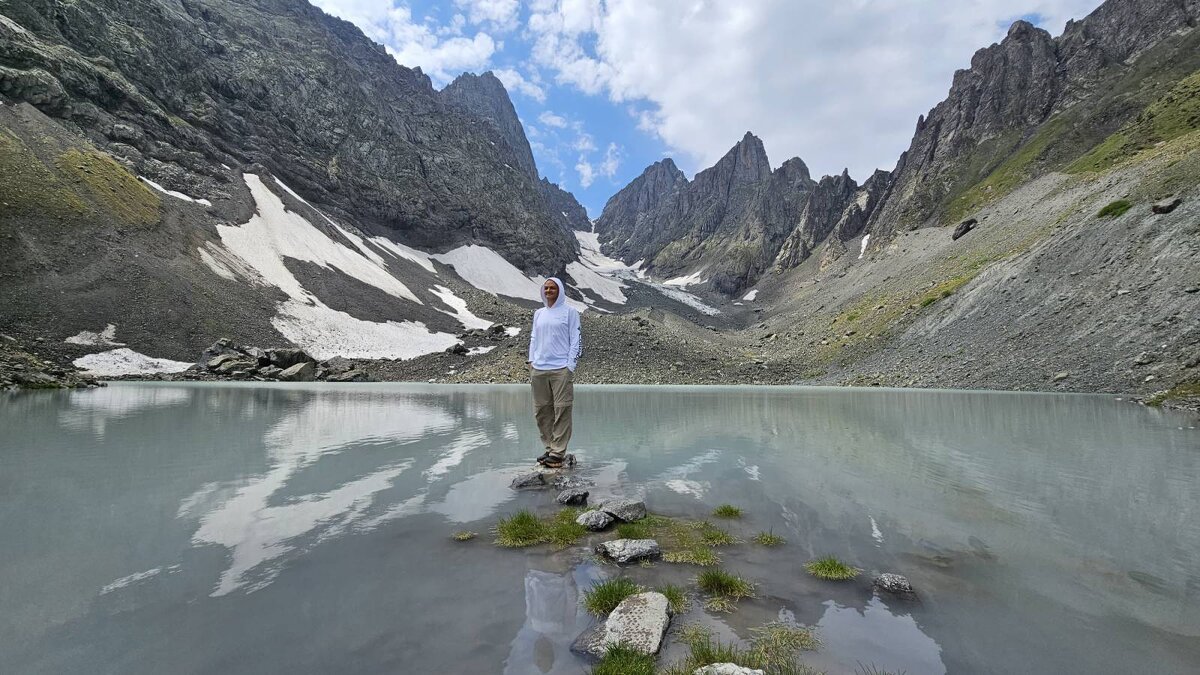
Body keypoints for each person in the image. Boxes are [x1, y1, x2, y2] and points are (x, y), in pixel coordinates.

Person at [527, 277, 581, 468]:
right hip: (539, 369)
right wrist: (531, 362)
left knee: (562, 410)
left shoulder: (570, 312)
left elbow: (576, 340)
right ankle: (549, 448)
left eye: (553, 288)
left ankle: (558, 453)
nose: (549, 291)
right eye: (546, 288)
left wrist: (570, 367)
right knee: (542, 411)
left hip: (560, 369)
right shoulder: (539, 313)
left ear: (560, 291)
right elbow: (533, 338)